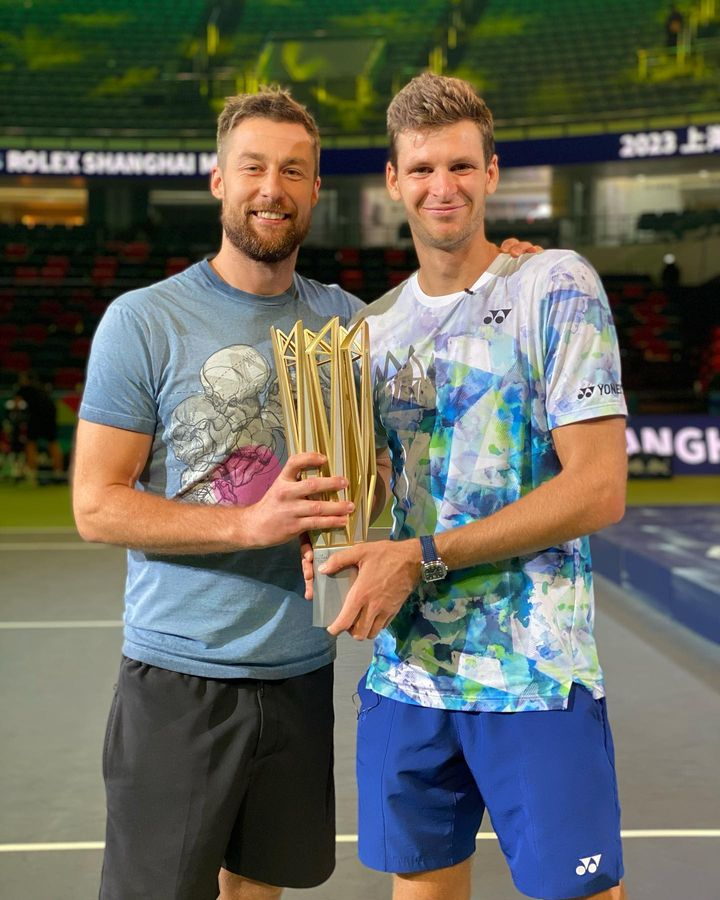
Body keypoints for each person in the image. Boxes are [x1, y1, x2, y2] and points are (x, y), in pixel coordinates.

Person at [318, 73, 629, 900]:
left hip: (533, 672)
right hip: (407, 676)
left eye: (460, 166)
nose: (440, 187)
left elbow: (598, 490)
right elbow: (371, 495)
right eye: (420, 169)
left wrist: (419, 555)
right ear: (392, 181)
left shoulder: (554, 287)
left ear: (493, 173)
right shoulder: (372, 331)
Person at [72, 88, 366, 900]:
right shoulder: (144, 321)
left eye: (293, 171)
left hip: (302, 671)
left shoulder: (342, 321)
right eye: (254, 167)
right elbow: (96, 504)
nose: (272, 187)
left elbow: (446, 308)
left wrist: (508, 262)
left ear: (314, 191)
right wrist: (251, 524)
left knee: (260, 888)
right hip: (181, 679)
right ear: (219, 181)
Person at [14, 370, 64, 482]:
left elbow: (16, 404)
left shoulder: (23, 388)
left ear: (26, 380)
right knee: (52, 442)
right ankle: (58, 474)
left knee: (31, 443)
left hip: (37, 417)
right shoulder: (42, 387)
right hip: (50, 415)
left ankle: (32, 474)